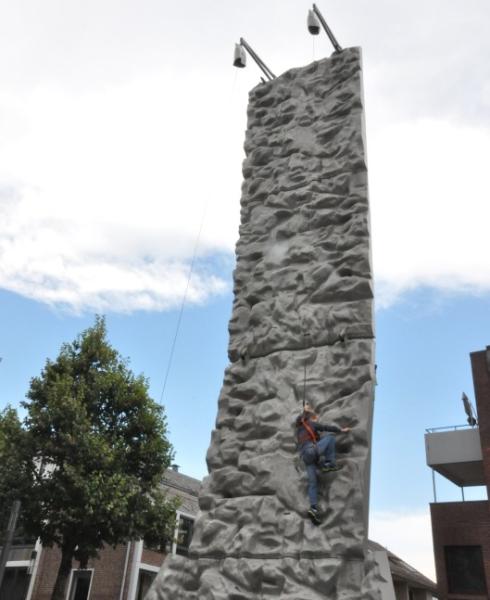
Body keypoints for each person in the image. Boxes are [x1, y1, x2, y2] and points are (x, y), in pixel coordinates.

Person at [296, 402, 351, 524]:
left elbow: (298, 421)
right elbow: (326, 427)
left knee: (313, 483)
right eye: (315, 417)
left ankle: (313, 508)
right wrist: (341, 430)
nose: (316, 419)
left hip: (306, 458)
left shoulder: (299, 429)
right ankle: (329, 464)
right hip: (311, 452)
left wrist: (305, 413)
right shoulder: (311, 424)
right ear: (310, 418)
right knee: (330, 437)